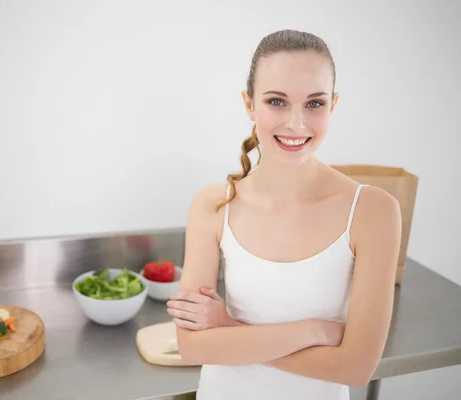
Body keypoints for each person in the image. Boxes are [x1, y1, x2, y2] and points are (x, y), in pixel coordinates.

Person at [166, 29, 402, 399]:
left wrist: (229, 329)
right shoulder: (212, 206)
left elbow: (356, 368)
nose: (296, 123)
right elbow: (194, 347)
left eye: (314, 104)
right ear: (249, 104)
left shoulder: (373, 211)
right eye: (277, 102)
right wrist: (313, 331)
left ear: (333, 105)